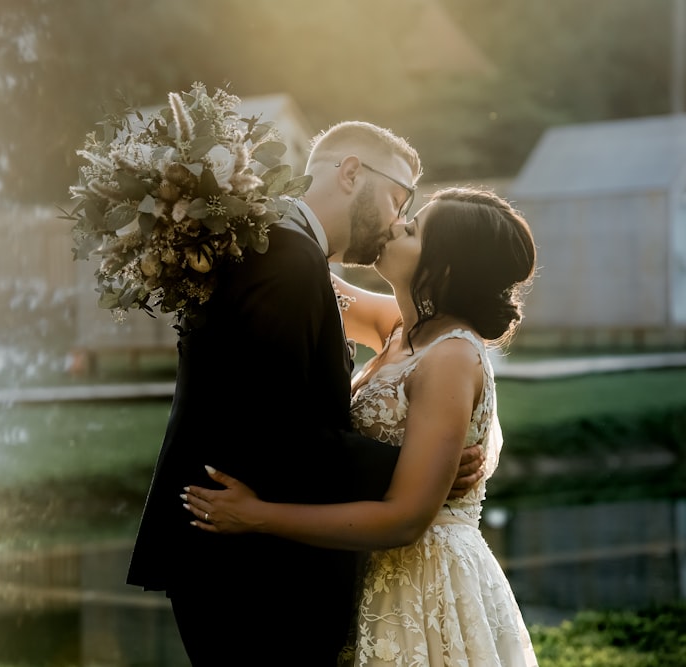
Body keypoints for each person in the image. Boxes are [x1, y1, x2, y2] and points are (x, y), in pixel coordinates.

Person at [125, 122, 484, 666]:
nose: (396, 221)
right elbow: (281, 431)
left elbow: (419, 330)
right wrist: (413, 471)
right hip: (249, 569)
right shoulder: (287, 260)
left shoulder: (284, 250)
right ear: (350, 172)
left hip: (240, 555)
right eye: (397, 198)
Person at [183, 186, 540, 665]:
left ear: (446, 267)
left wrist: (255, 514)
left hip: (421, 584)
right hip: (361, 567)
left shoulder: (451, 356)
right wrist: (210, 197)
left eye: (411, 229)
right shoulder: (399, 326)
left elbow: (407, 519)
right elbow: (304, 270)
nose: (394, 225)